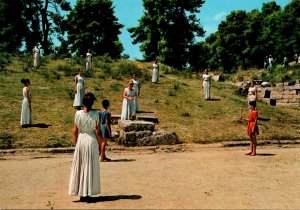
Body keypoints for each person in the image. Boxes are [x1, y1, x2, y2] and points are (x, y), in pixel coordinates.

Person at [69, 93, 102, 202]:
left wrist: (76, 144)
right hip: (91, 140)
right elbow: (98, 132)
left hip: (81, 140)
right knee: (90, 166)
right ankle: (87, 192)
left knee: (81, 165)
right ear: (92, 103)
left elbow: (75, 131)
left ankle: (81, 192)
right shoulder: (96, 114)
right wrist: (100, 145)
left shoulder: (77, 114)